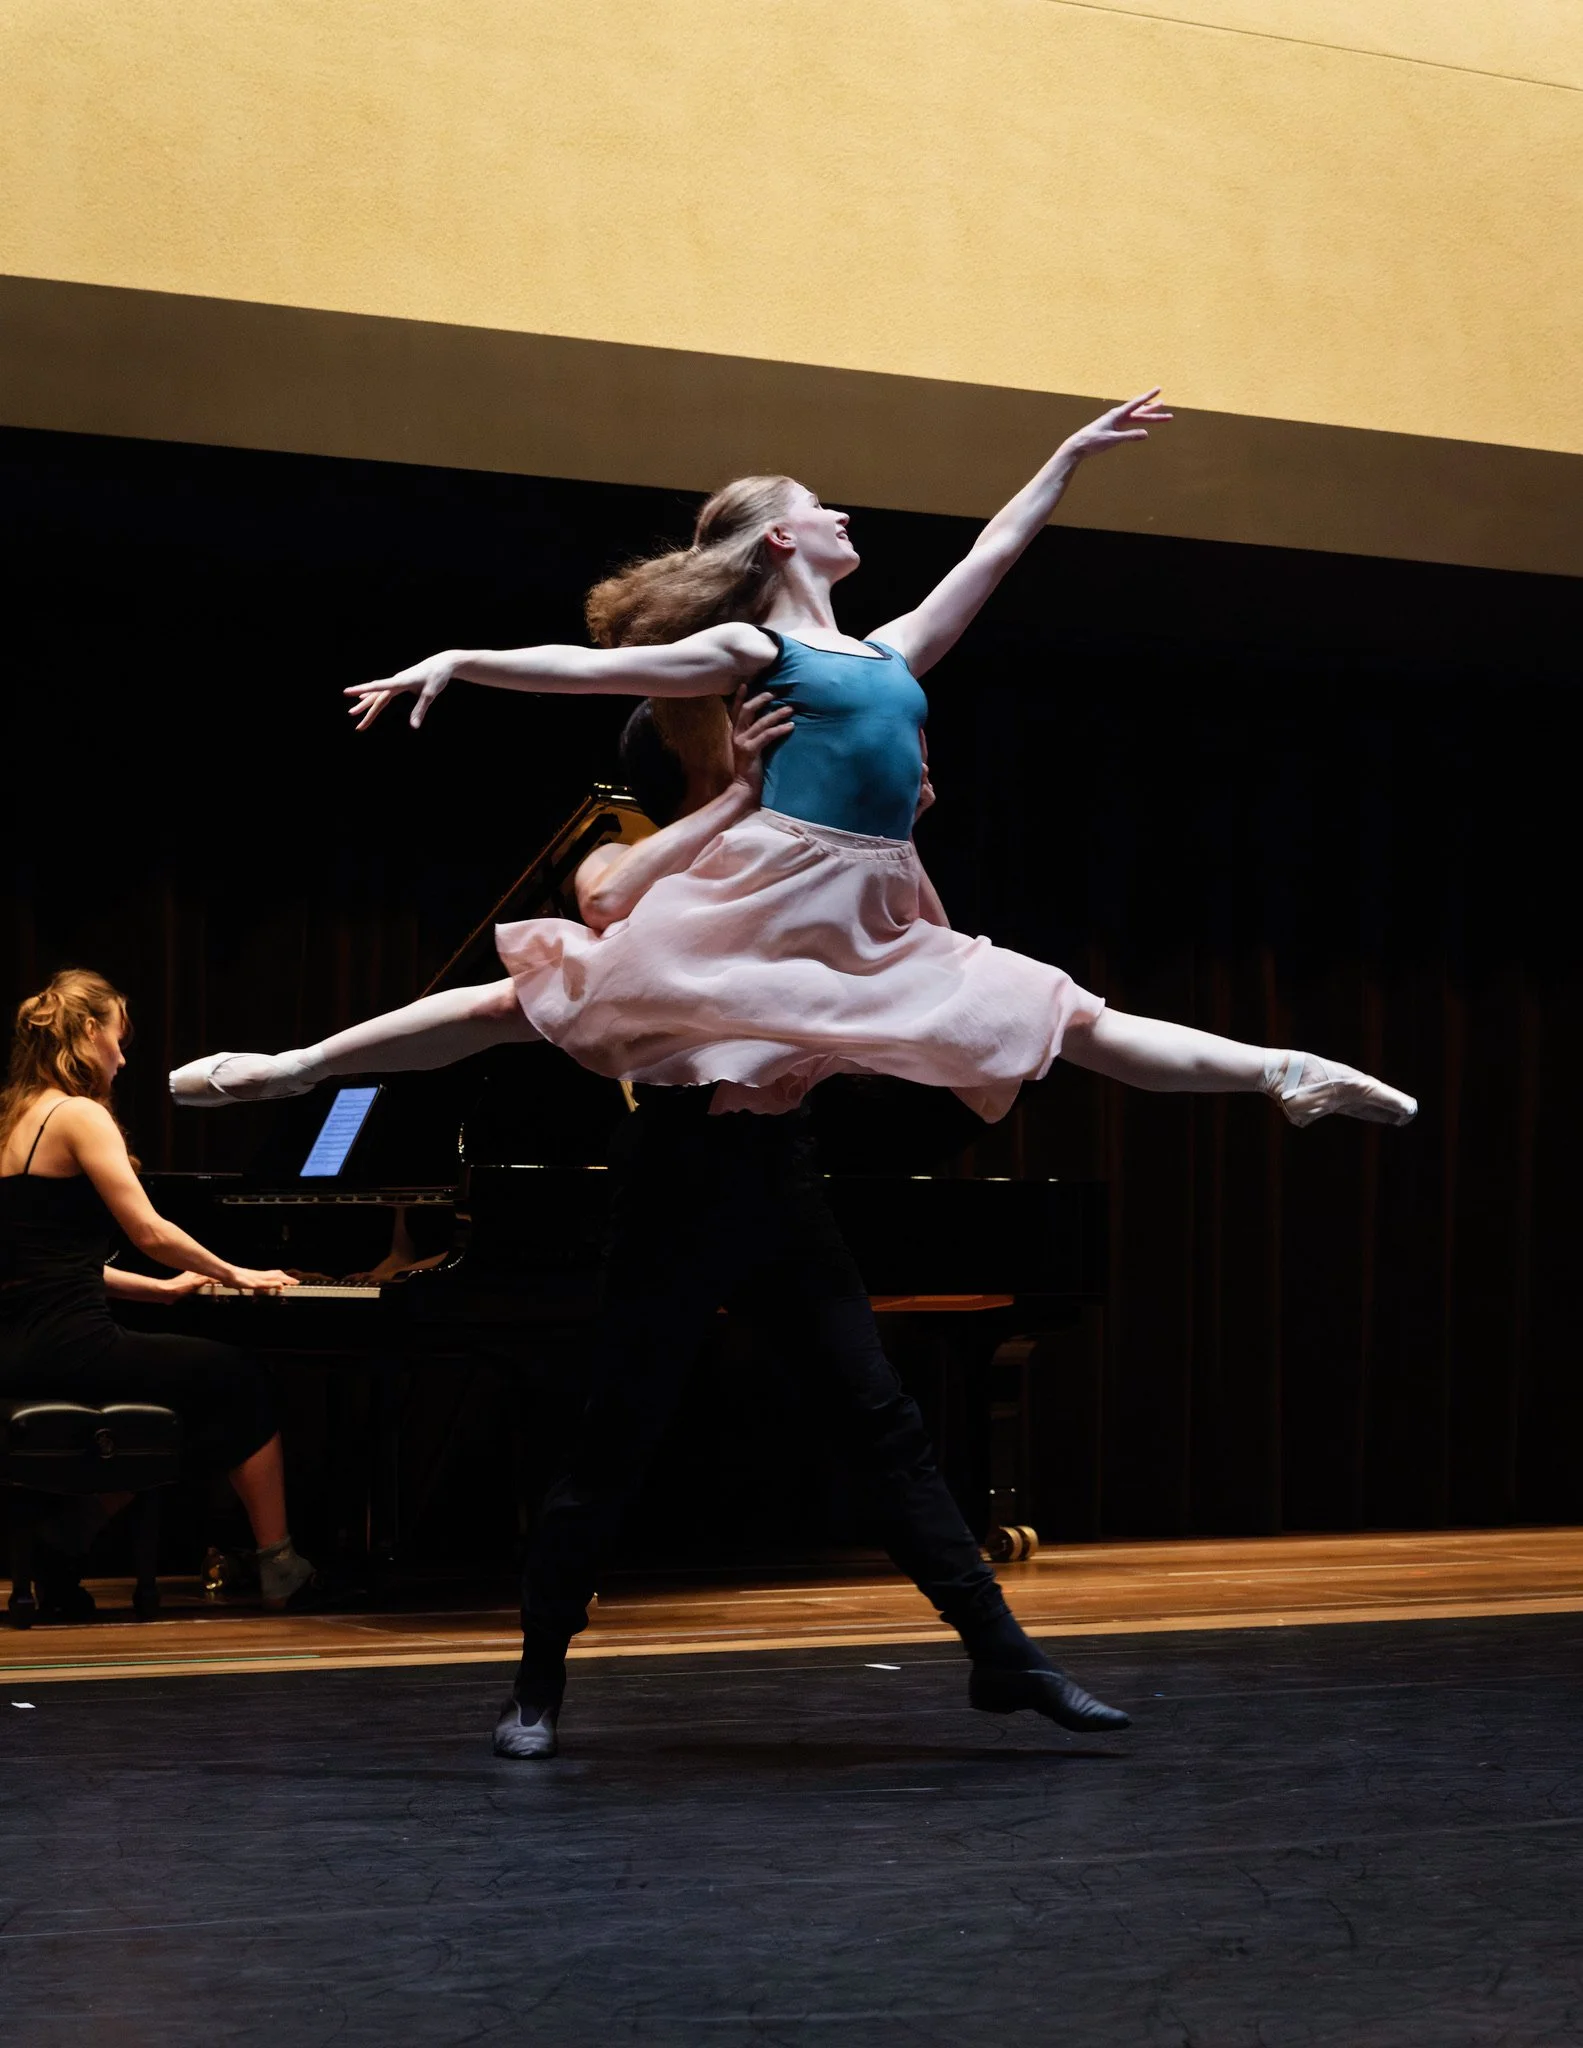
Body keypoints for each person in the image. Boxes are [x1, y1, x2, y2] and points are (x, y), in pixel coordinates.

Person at [171, 702, 1135, 1753]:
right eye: (724, 724)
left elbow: (924, 958)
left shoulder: (783, 852)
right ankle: (536, 1681)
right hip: (676, 1170)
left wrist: (895, 829)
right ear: (685, 752)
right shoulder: (623, 859)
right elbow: (518, 987)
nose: (753, 723)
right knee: (616, 1431)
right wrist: (297, 1066)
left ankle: (1001, 1651)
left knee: (880, 1421)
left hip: (782, 1170)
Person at [301, 389, 1406, 1132]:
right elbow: (578, 672)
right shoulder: (755, 647)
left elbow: (993, 552)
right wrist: (458, 656)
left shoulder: (889, 650)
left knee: (1059, 1014)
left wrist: (1063, 460)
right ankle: (299, 1069)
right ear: (782, 538)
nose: (841, 514)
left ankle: (1280, 1071)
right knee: (536, 994)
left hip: (875, 890)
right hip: (781, 876)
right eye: (818, 507)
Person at [0, 971, 317, 1607]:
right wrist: (238, 1273)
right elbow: (148, 1229)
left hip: (18, 1345)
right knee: (239, 1378)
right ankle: (279, 1563)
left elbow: (53, 1266)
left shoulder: (13, 1118)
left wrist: (164, 1293)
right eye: (120, 1036)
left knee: (191, 1400)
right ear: (90, 1032)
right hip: (72, 1345)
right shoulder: (79, 1113)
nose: (122, 1054)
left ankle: (71, 1536)